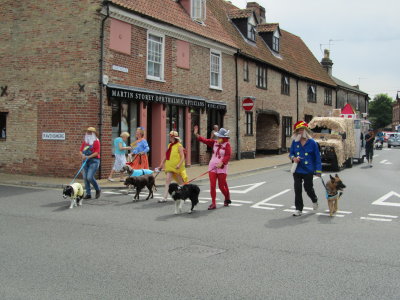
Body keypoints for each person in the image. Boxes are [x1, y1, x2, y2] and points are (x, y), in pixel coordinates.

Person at [194, 125, 231, 210]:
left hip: (222, 167)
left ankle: (227, 198)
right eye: (218, 136)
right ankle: (213, 203)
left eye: (220, 137)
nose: (218, 138)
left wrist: (222, 162)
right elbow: (205, 140)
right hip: (212, 166)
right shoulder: (215, 142)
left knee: (221, 186)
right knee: (212, 185)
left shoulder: (227, 145)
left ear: (224, 138)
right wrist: (196, 134)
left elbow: (228, 155)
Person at [289, 121, 321, 216]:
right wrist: (293, 158)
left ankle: (314, 199)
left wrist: (318, 170)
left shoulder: (312, 143)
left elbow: (317, 158)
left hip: (308, 169)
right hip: (297, 169)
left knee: (308, 188)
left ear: (306, 131)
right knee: (297, 189)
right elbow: (291, 153)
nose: (300, 132)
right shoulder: (295, 142)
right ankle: (299, 209)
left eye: (302, 129)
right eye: (298, 130)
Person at [158, 131, 188, 203]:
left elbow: (182, 157)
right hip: (169, 166)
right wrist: (162, 163)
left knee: (180, 182)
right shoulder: (169, 145)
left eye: (171, 136)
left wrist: (179, 165)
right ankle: (164, 197)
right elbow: (166, 155)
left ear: (174, 137)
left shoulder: (179, 146)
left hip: (177, 167)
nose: (170, 137)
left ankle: (184, 195)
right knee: (167, 180)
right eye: (170, 136)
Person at [79, 127, 101, 199]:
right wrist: (82, 155)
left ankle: (97, 189)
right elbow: (80, 150)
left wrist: (88, 157)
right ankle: (88, 194)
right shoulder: (85, 141)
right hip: (85, 161)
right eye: (87, 132)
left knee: (89, 177)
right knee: (85, 178)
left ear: (93, 133)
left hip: (94, 161)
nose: (88, 133)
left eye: (90, 132)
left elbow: (97, 153)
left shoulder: (96, 141)